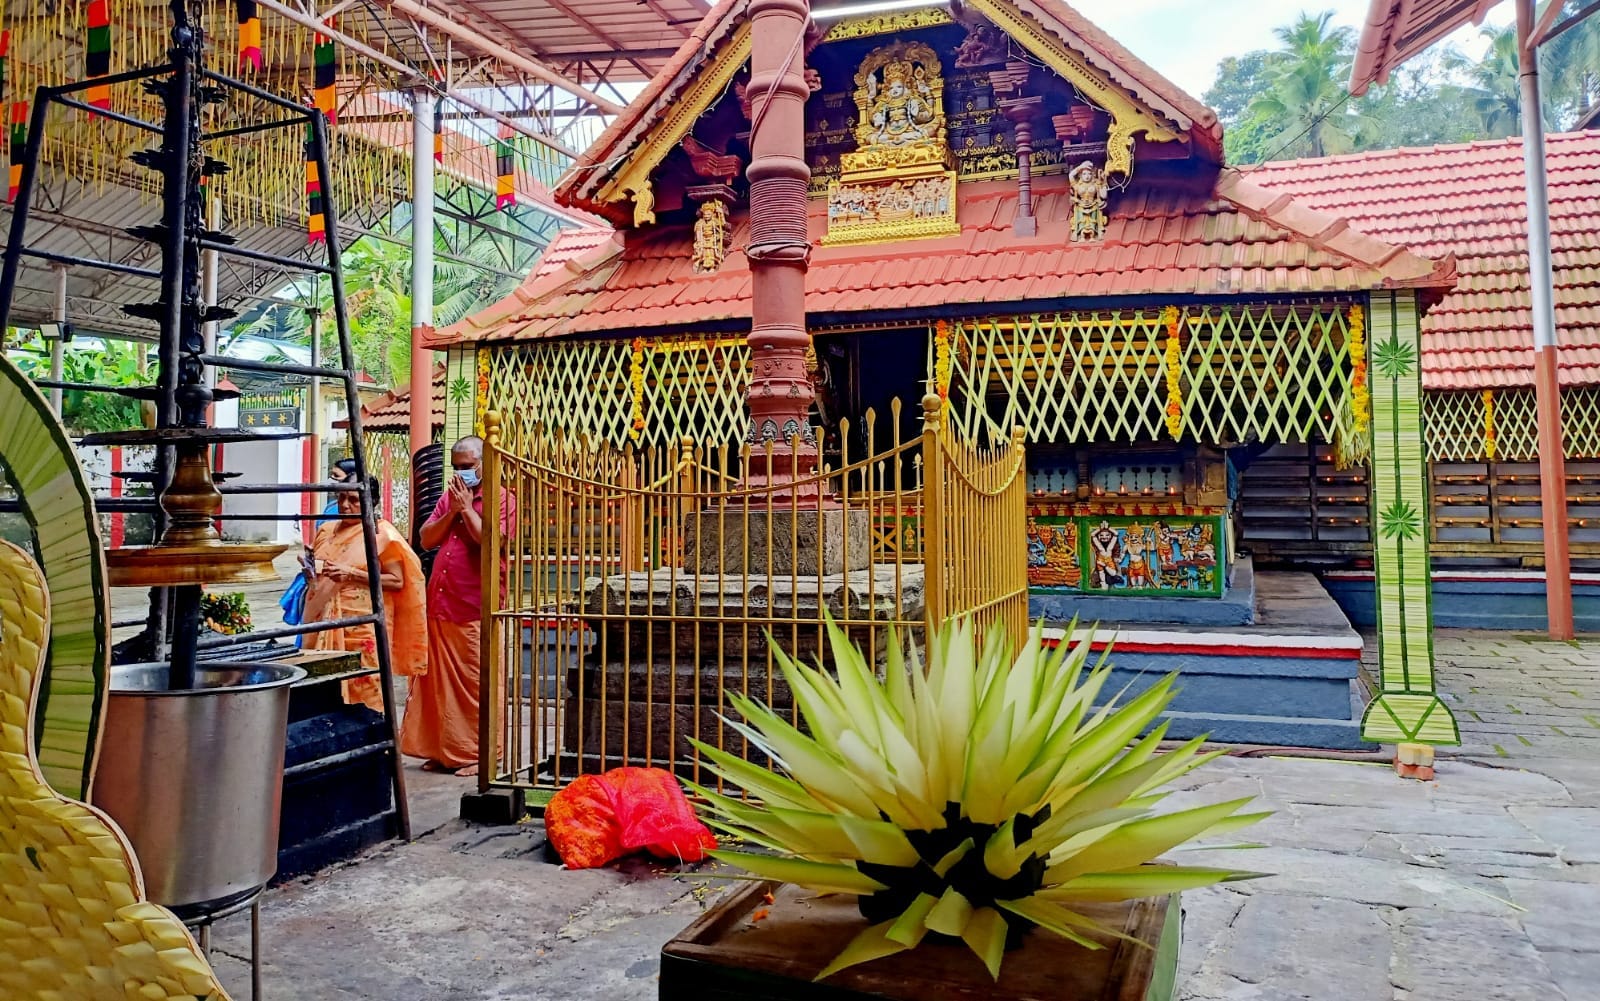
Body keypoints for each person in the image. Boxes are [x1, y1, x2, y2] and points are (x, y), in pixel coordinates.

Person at [402, 436, 514, 776]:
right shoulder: (448, 497)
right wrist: (452, 510)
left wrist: (466, 509)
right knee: (437, 685)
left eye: (468, 467)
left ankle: (480, 754)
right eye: (457, 468)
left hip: (473, 605)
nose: (462, 474)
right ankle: (443, 749)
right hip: (441, 601)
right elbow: (426, 538)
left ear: (484, 463)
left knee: (475, 684)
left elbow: (490, 541)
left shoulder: (502, 499)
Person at [302, 479, 428, 712]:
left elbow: (397, 581)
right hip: (322, 617)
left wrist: (351, 574)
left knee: (365, 681)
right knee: (324, 681)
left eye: (353, 499)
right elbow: (321, 571)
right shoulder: (326, 530)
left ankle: (371, 735)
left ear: (372, 502)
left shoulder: (382, 535)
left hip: (362, 623)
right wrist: (310, 573)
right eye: (341, 498)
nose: (345, 505)